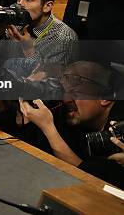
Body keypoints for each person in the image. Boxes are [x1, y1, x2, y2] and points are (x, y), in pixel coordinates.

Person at [19, 61, 123, 189]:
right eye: (65, 92)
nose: (66, 100)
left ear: (104, 98)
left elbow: (90, 178)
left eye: (75, 94)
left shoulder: (120, 127)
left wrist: (48, 127)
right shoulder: (70, 113)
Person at [3, 0, 78, 77]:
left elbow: (48, 82)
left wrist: (29, 49)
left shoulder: (64, 37)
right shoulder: (18, 25)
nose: (20, 4)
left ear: (47, 6)